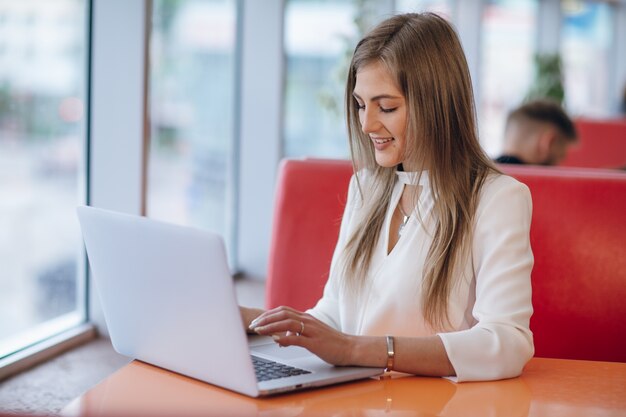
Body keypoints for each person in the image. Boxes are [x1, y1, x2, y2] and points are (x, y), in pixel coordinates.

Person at [241, 13, 534, 382]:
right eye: (361, 104)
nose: (366, 124)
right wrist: (252, 321)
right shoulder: (366, 187)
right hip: (352, 400)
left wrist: (354, 349)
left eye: (387, 107)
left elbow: (506, 342)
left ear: (436, 104)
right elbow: (336, 315)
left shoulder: (496, 199)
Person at [495, 100, 577, 165]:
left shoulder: (485, 176)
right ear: (548, 143)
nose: (558, 165)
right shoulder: (535, 185)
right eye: (560, 156)